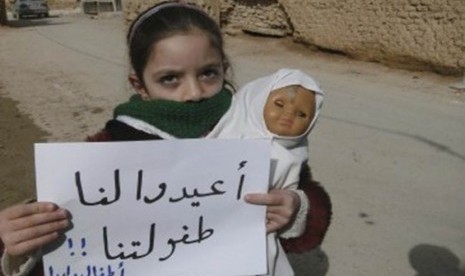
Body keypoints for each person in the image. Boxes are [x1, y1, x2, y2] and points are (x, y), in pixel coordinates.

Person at [0, 1, 331, 275]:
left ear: (223, 68)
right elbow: (71, 234)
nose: (194, 93)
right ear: (139, 85)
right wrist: (14, 238)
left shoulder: (253, 129)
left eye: (208, 73)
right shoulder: (110, 148)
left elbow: (308, 195)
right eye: (170, 78)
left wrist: (295, 209)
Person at [210, 68, 324, 275]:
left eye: (302, 114)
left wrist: (295, 204)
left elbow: (299, 200)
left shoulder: (294, 155)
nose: (288, 115)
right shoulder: (227, 131)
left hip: (255, 244)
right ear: (257, 99)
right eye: (279, 104)